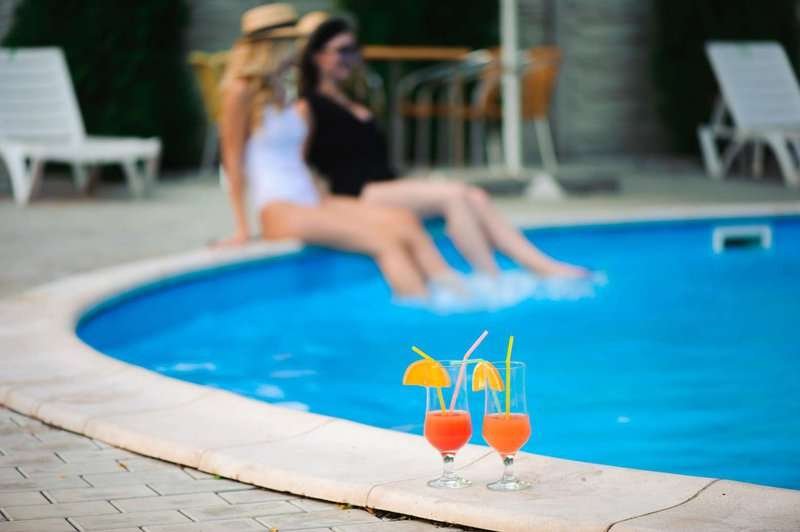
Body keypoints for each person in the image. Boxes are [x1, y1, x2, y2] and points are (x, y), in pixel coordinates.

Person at [300, 17, 587, 278]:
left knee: (474, 196)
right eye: (342, 50)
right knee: (454, 196)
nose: (350, 58)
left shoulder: (354, 101)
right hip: (356, 192)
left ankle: (543, 266)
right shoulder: (309, 106)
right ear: (317, 56)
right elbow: (299, 161)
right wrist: (320, 208)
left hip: (384, 185)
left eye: (354, 49)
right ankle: (491, 278)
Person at [218, 4, 457, 297]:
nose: (298, 51)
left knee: (403, 220)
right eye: (292, 43)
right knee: (384, 240)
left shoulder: (283, 91)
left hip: (310, 197)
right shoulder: (240, 91)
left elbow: (297, 159)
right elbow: (232, 160)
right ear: (272, 47)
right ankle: (424, 315)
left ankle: (460, 296)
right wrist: (242, 228)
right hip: (278, 207)